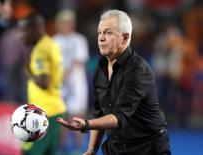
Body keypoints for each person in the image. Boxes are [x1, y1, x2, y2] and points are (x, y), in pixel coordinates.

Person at [56, 9, 171, 155]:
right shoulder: (100, 68)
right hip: (116, 147)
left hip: (147, 148)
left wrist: (86, 124)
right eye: (99, 33)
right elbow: (99, 113)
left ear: (125, 38)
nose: (101, 38)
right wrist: (91, 149)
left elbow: (119, 117)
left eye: (108, 33)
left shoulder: (138, 70)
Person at [18, 13, 66, 155]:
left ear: (34, 29)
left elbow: (44, 82)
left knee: (28, 153)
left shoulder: (40, 50)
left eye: (24, 30)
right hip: (54, 110)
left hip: (42, 114)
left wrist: (28, 71)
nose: (21, 35)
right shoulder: (51, 44)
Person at [53, 9, 89, 154]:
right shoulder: (54, 40)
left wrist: (66, 74)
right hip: (59, 84)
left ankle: (78, 146)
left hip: (76, 84)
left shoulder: (79, 39)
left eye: (70, 21)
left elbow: (79, 61)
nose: (69, 24)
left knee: (78, 114)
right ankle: (62, 146)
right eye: (65, 22)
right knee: (61, 116)